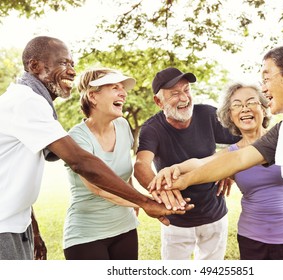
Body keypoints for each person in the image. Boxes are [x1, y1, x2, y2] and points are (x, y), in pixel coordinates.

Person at [151, 45, 283, 260]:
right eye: (237, 105)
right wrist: (180, 178)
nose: (264, 89)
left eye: (266, 79)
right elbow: (238, 158)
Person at [0, 36, 192, 260]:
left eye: (72, 64)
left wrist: (31, 228)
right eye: (63, 63)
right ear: (34, 66)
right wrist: (145, 201)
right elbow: (81, 163)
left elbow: (12, 174)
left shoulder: (32, 103)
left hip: (16, 223)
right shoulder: (26, 101)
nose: (72, 71)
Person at [151, 82, 283, 260]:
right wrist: (173, 169)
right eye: (236, 105)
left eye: (251, 102)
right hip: (252, 238)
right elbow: (200, 163)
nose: (244, 109)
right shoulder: (231, 154)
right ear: (230, 115)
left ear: (264, 107)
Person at [134, 67, 240, 260]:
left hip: (214, 215)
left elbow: (248, 139)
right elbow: (141, 165)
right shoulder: (152, 128)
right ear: (159, 102)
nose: (184, 98)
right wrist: (162, 193)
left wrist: (229, 167)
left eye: (186, 90)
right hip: (175, 221)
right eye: (174, 93)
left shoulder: (208, 114)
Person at [63, 68, 141, 260]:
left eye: (123, 88)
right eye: (115, 87)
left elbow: (124, 175)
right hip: (86, 235)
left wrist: (135, 204)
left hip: (126, 228)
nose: (123, 93)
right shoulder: (77, 137)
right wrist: (146, 203)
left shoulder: (123, 127)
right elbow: (99, 188)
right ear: (92, 96)